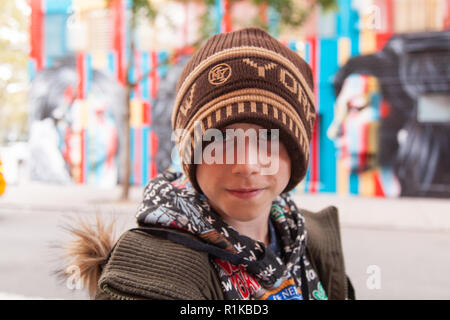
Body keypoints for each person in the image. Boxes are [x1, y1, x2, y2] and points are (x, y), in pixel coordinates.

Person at [61, 27, 355, 300]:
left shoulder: (308, 239)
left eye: (268, 137)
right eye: (221, 139)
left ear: (296, 152)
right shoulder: (149, 278)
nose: (246, 165)